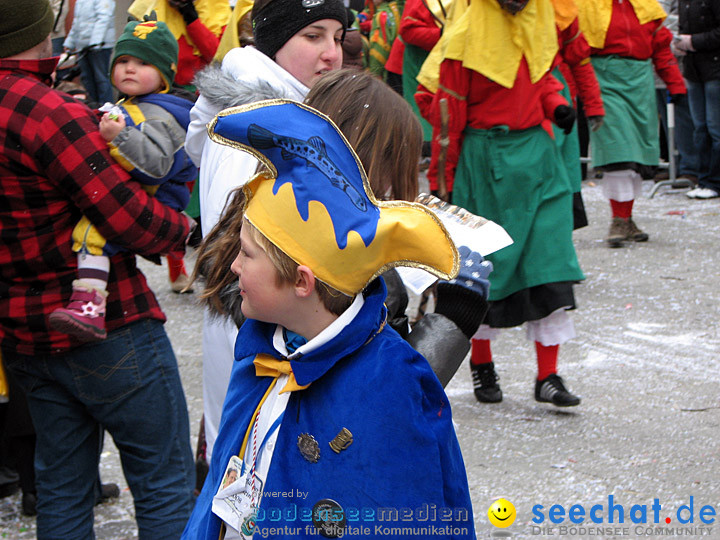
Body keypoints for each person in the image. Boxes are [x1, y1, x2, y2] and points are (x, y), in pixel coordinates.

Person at [182, 98, 475, 539]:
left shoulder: (391, 381)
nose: (234, 267)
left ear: (302, 282)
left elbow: (412, 513)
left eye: (246, 254)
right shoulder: (261, 349)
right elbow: (220, 497)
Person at [0, 1, 195, 537]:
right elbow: (129, 217)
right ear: (43, 26)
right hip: (110, 326)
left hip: (24, 332)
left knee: (62, 488)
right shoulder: (44, 110)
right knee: (163, 483)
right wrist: (189, 232)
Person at [185, 0, 347, 464]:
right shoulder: (262, 127)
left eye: (336, 37)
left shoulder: (276, 111)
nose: (332, 53)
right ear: (275, 42)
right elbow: (246, 253)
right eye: (313, 36)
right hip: (260, 328)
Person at [428, 0, 585, 406]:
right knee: (484, 273)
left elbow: (543, 73)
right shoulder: (464, 42)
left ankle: (548, 376)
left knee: (549, 266)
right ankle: (482, 366)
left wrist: (556, 105)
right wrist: (443, 183)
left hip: (540, 160)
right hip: (486, 167)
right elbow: (448, 119)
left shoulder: (536, 23)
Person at [49, 19, 198, 341]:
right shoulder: (131, 105)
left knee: (91, 231)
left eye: (143, 63)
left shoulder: (161, 113)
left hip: (157, 196)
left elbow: (157, 165)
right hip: (137, 191)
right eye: (124, 61)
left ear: (165, 73)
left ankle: (89, 307)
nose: (130, 69)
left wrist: (120, 136)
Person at [576, 0, 686, 246]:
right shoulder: (585, 5)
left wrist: (675, 83)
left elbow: (661, 49)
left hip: (639, 82)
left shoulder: (645, 5)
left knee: (636, 155)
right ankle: (619, 219)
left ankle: (626, 217)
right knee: (617, 150)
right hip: (603, 78)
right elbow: (574, 49)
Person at [676, 0, 720, 199]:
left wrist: (693, 41)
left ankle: (715, 181)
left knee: (715, 128)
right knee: (700, 128)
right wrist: (676, 43)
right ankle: (704, 179)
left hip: (715, 69)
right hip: (693, 70)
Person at [62, 0, 115, 106]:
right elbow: (76, 23)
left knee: (101, 79)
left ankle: (107, 107)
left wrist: (95, 42)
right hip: (83, 47)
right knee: (87, 78)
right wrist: (69, 43)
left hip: (100, 47)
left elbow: (103, 18)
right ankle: (93, 106)